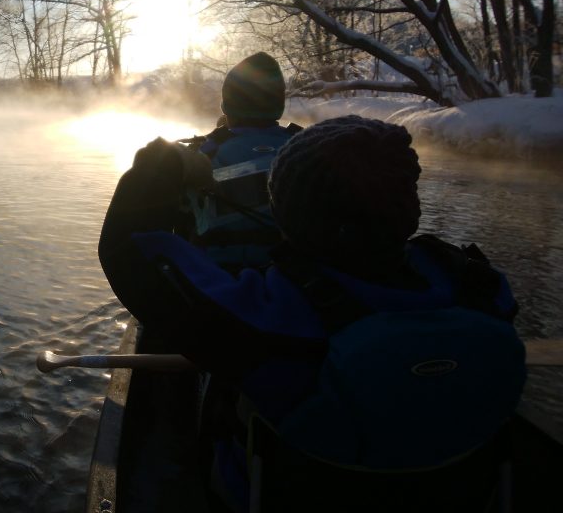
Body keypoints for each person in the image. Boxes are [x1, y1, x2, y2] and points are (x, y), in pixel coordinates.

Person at [98, 115, 526, 512]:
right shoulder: (485, 292)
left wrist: (163, 160)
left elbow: (130, 252)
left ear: (289, 216)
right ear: (405, 207)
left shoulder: (270, 320)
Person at [178, 52, 301, 266]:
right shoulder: (303, 146)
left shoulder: (203, 153)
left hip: (218, 279)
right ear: (277, 103)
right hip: (294, 277)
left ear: (228, 106)